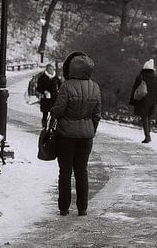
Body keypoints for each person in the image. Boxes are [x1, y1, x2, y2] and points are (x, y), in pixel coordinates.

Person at [50, 51, 101, 217]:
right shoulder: (94, 87)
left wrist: (53, 113)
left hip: (66, 135)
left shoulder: (66, 86)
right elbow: (97, 114)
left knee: (65, 171)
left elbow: (58, 111)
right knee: (82, 170)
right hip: (86, 137)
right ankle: (82, 208)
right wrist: (90, 129)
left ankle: (64, 208)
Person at [129, 58, 157, 143]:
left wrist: (132, 101)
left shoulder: (140, 77)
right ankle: (148, 134)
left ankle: (147, 136)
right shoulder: (155, 78)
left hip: (143, 101)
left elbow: (135, 90)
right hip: (152, 102)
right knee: (148, 117)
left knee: (144, 117)